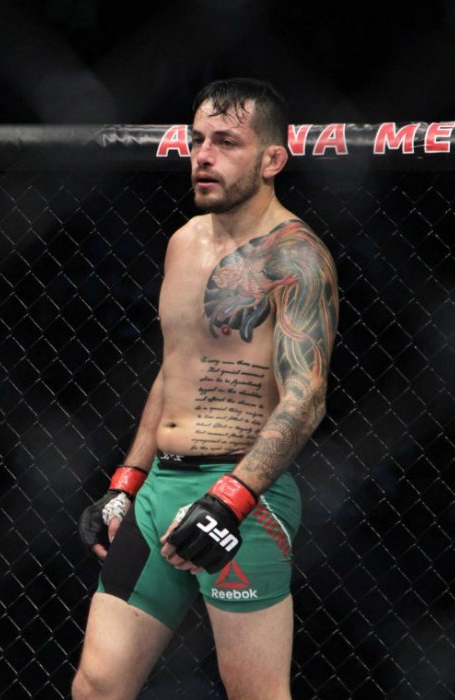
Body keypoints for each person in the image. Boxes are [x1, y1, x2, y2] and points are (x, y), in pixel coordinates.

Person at [72, 77, 339, 700]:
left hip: (245, 495)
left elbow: (306, 396)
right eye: (196, 140)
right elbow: (174, 370)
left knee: (254, 693)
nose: (203, 156)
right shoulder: (183, 243)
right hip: (158, 489)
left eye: (226, 142)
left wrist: (231, 500)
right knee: (97, 686)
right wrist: (126, 482)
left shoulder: (297, 257)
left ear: (272, 160)